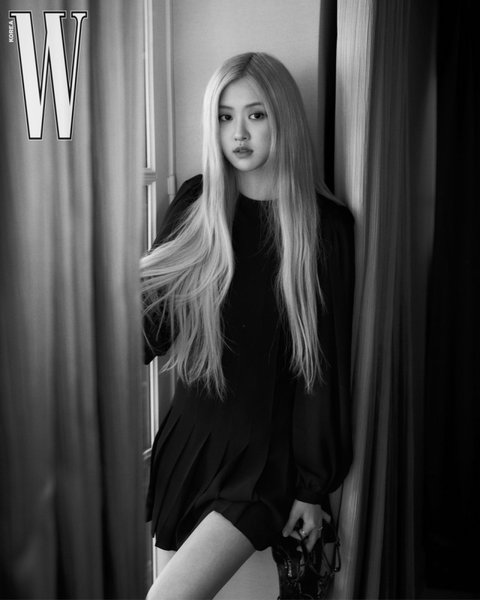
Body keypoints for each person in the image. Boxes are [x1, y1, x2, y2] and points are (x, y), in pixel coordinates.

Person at [141, 52, 354, 600]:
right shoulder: (196, 203)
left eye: (256, 115)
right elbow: (153, 323)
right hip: (188, 443)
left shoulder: (324, 228)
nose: (238, 133)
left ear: (284, 118)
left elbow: (321, 371)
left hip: (259, 463)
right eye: (224, 116)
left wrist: (312, 488)